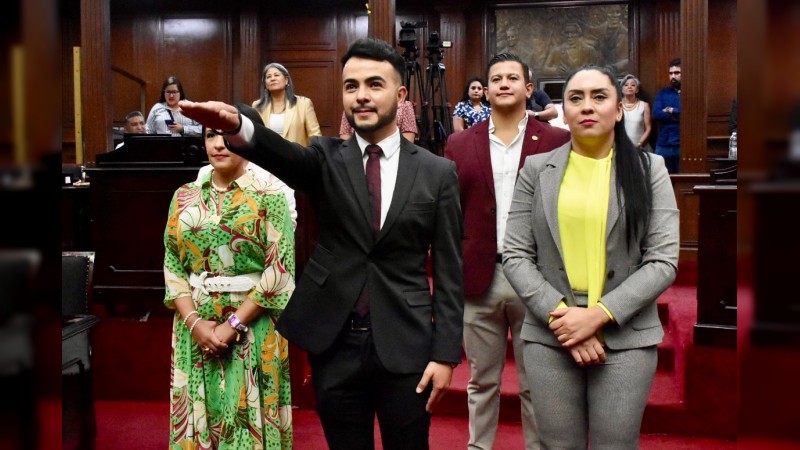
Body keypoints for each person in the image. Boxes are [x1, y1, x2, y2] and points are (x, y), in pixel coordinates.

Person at [179, 37, 464, 450]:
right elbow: (282, 155)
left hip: (407, 343)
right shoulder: (325, 157)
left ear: (400, 95)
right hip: (336, 343)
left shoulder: (438, 173)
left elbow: (451, 272)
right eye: (351, 86)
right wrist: (236, 126)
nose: (361, 96)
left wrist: (445, 354)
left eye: (374, 85)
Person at [502, 64, 679, 449]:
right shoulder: (536, 169)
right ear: (563, 112)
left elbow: (663, 260)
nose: (587, 106)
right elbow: (515, 253)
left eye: (599, 96)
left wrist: (598, 315)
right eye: (575, 98)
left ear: (618, 109)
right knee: (556, 445)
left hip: (625, 331)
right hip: (553, 329)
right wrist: (564, 316)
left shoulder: (651, 170)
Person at [446, 53, 569, 450]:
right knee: (481, 380)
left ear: (528, 89)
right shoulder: (460, 143)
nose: (502, 83)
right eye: (495, 77)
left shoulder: (556, 141)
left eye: (512, 78)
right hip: (480, 276)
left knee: (536, 382)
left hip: (536, 279)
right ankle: (478, 446)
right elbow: (451, 214)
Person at [162, 106, 297, 448]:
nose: (218, 144)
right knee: (199, 416)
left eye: (227, 135)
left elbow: (279, 271)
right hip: (195, 325)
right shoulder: (184, 196)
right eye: (210, 135)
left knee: (247, 428)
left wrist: (231, 324)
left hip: (254, 323)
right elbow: (173, 265)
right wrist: (195, 323)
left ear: (248, 140)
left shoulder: (270, 195)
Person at [252, 62, 321, 146]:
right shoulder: (256, 106)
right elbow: (253, 136)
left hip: (296, 157)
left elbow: (315, 135)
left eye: (276, 75)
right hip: (266, 157)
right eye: (268, 77)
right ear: (265, 84)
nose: (272, 78)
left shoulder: (304, 104)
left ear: (286, 80)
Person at [340, 99, 418, 142]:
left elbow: (408, 141)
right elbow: (345, 135)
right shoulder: (352, 107)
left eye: (375, 85)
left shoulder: (405, 106)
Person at [653, 58, 682, 173]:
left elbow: (689, 116)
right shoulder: (663, 93)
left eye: (677, 73)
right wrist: (677, 115)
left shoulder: (691, 92)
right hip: (664, 143)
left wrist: (671, 110)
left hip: (683, 144)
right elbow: (656, 114)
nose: (673, 76)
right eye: (670, 73)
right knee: (659, 177)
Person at [620, 74, 653, 151]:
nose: (629, 87)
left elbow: (648, 128)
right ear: (622, 89)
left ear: (637, 89)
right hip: (622, 147)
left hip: (640, 147)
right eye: (626, 85)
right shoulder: (617, 105)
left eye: (633, 85)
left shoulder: (644, 105)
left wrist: (639, 143)